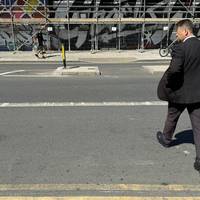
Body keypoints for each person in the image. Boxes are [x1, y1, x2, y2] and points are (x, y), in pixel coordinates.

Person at [157, 19, 200, 172]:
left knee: (172, 115)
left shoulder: (180, 48)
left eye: (178, 31)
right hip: (197, 94)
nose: (176, 34)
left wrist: (168, 81)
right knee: (198, 126)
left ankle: (166, 139)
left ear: (186, 31)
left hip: (180, 93)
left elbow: (174, 70)